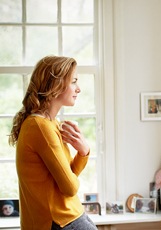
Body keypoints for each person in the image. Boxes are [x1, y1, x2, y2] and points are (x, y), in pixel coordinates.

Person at [8, 56, 97, 230]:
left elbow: (66, 177)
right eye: (74, 81)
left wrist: (83, 152)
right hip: (60, 222)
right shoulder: (40, 127)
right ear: (55, 86)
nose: (78, 89)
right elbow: (70, 187)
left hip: (67, 218)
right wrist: (82, 155)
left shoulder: (50, 124)